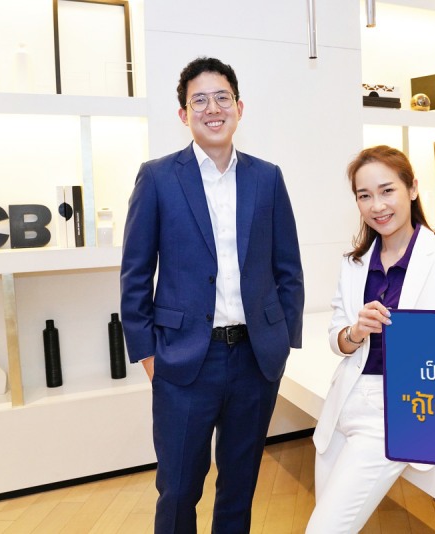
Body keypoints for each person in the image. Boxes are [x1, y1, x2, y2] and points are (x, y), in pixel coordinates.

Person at [120, 56, 304, 534]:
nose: (212, 108)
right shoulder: (158, 177)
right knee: (179, 489)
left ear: (239, 107)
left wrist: (282, 343)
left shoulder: (267, 177)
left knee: (239, 487)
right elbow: (135, 274)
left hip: (254, 360)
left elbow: (288, 268)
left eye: (222, 98)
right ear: (183, 114)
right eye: (199, 100)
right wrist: (148, 355)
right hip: (183, 361)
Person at [306, 145, 435, 533]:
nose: (377, 206)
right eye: (364, 196)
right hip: (343, 405)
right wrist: (355, 331)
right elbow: (336, 339)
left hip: (395, 412)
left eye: (387, 191)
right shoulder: (353, 263)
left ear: (412, 189)